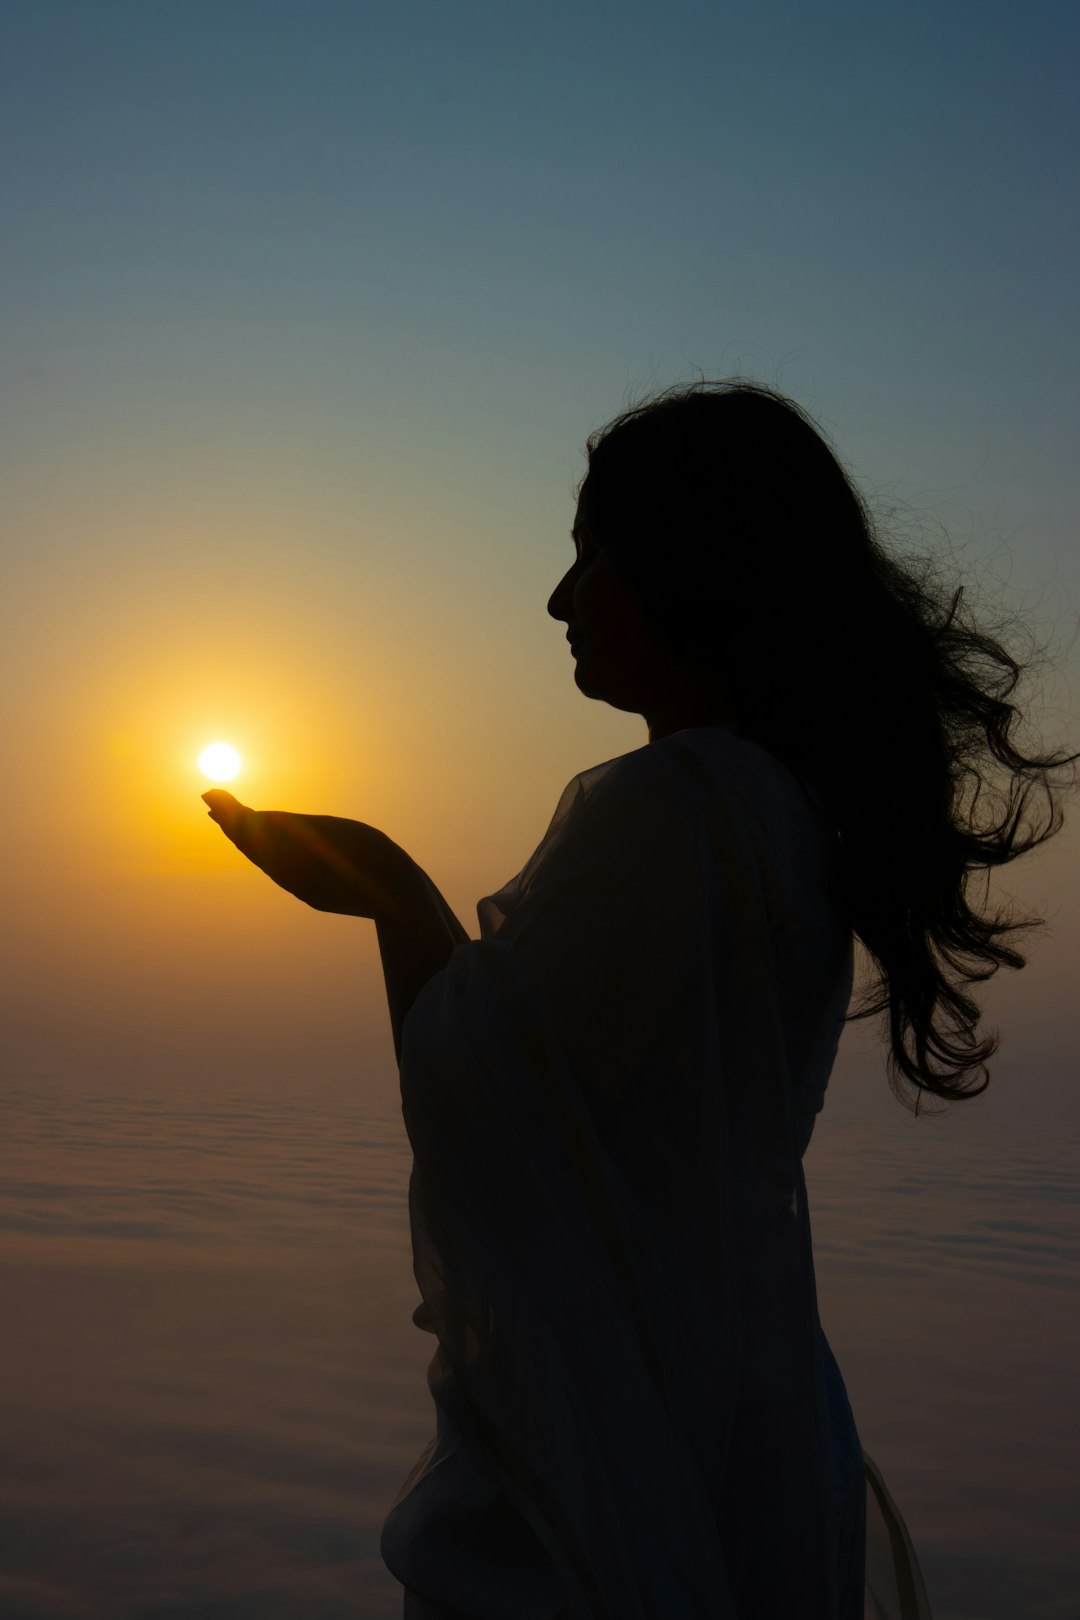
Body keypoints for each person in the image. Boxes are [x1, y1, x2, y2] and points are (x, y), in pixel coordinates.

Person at [203, 381, 1077, 1619]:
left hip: (618, 1466)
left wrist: (390, 893)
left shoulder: (680, 810)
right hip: (735, 1418)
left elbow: (484, 1112)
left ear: (691, 566)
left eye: (590, 556)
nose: (561, 599)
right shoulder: (778, 816)